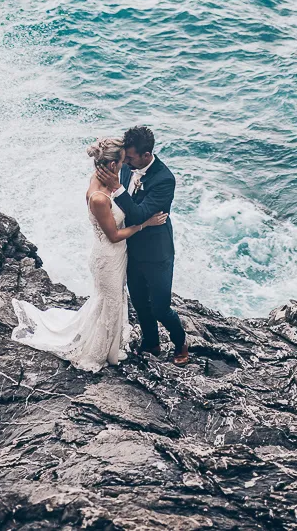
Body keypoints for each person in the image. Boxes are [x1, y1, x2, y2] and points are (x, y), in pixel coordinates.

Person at [10, 137, 168, 372]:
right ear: (113, 165)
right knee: (111, 302)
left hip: (115, 254)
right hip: (108, 257)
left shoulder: (101, 179)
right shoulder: (98, 197)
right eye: (123, 161)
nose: (127, 165)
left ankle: (109, 343)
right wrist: (145, 224)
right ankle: (99, 351)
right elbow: (114, 235)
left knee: (110, 301)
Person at [96, 126, 188, 365]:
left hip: (157, 254)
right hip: (130, 249)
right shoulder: (127, 164)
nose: (126, 162)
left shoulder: (164, 179)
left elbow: (139, 215)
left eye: (131, 157)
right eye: (125, 157)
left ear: (146, 155)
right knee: (138, 301)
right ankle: (151, 343)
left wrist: (117, 189)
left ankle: (181, 343)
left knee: (161, 308)